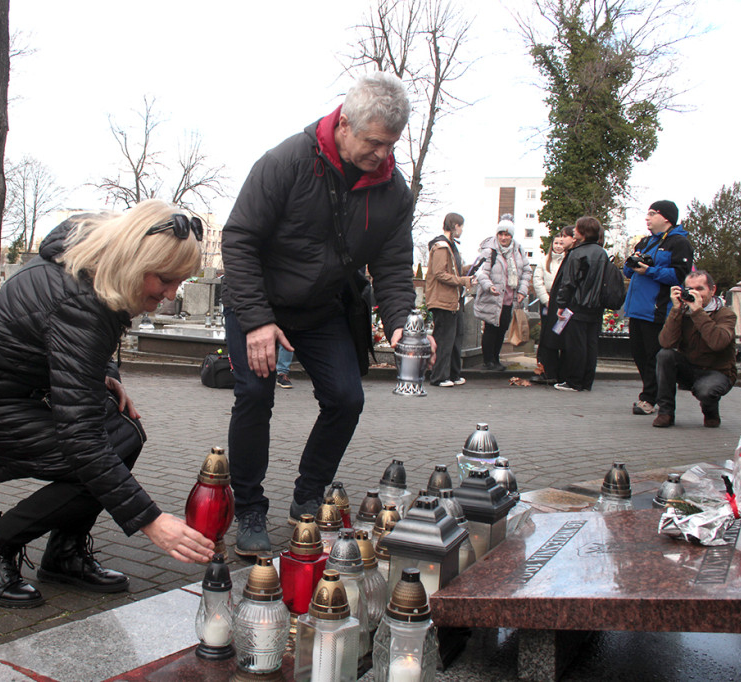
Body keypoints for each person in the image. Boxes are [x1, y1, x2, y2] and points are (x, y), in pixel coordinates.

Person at [0, 200, 215, 608]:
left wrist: (107, 376)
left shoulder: (88, 263)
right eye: (165, 279)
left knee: (125, 434)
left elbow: (71, 341)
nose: (169, 294)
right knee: (96, 454)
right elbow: (82, 439)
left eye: (180, 283)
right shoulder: (80, 301)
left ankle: (64, 555)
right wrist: (151, 520)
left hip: (14, 385)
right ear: (134, 258)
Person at [221, 72, 425, 556]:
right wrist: (256, 320)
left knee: (346, 398)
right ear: (345, 124)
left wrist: (401, 324)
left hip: (322, 308)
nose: (382, 156)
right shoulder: (287, 161)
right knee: (254, 394)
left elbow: (393, 267)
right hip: (259, 301)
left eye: (391, 146)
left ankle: (308, 494)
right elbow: (239, 237)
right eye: (374, 143)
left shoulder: (393, 190)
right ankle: (249, 507)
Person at [622, 200, 693, 415]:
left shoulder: (679, 243)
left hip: (657, 309)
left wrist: (650, 271)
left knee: (654, 356)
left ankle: (650, 398)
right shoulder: (644, 242)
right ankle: (653, 394)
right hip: (636, 309)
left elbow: (680, 276)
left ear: (666, 218)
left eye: (652, 214)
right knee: (640, 356)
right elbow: (628, 272)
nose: (647, 218)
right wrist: (632, 263)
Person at [652, 270, 736, 428]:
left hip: (718, 371)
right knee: (665, 355)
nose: (695, 294)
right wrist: (676, 310)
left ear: (712, 290)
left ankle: (710, 411)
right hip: (691, 367)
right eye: (690, 289)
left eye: (700, 289)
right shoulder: (683, 312)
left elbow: (717, 342)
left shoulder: (726, 314)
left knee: (705, 390)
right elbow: (666, 343)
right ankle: (666, 413)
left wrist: (698, 312)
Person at [553, 217, 610, 392]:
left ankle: (573, 381)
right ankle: (587, 381)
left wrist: (561, 304)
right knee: (591, 344)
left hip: (577, 304)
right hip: (596, 305)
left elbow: (568, 282)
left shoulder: (577, 253)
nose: (574, 232)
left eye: (577, 229)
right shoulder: (602, 253)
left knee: (576, 344)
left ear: (583, 232)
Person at [473, 215, 533, 371]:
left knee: (502, 329)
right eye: (501, 234)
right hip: (492, 296)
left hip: (509, 297)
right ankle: (488, 361)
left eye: (507, 235)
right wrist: (489, 286)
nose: (503, 238)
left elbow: (527, 271)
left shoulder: (518, 250)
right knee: (491, 328)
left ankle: (496, 358)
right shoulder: (489, 250)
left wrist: (522, 290)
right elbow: (481, 272)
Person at [425, 212, 474, 387]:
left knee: (456, 337)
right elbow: (439, 273)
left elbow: (450, 271)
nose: (462, 230)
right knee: (444, 339)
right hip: (443, 300)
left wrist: (469, 270)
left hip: (453, 300)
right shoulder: (441, 246)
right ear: (455, 226)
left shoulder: (450, 246)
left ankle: (453, 374)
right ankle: (439, 376)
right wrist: (463, 281)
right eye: (461, 226)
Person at [531, 227, 573, 384]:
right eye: (556, 243)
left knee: (560, 336)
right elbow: (538, 281)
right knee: (546, 336)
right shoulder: (544, 261)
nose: (558, 246)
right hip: (548, 301)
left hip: (562, 302)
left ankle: (560, 371)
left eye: (561, 243)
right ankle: (546, 368)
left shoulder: (568, 260)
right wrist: (546, 299)